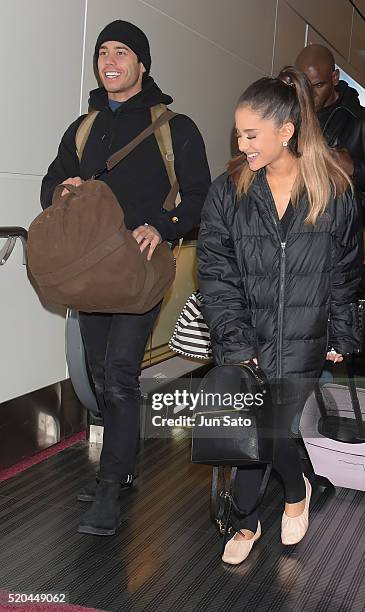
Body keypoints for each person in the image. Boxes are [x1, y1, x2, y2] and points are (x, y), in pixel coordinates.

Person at [41, 20, 211, 536]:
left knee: (120, 375)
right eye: (102, 53)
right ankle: (124, 465)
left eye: (122, 52)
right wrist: (62, 191)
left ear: (142, 63)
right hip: (91, 275)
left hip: (138, 273)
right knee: (98, 371)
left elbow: (200, 196)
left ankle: (111, 487)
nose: (110, 61)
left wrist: (162, 226)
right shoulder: (84, 127)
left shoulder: (174, 127)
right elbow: (50, 181)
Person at [197, 66, 361, 564]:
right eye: (239, 134)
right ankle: (284, 497)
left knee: (268, 429)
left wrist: (342, 330)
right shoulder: (229, 192)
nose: (242, 144)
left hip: (306, 338)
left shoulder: (331, 190)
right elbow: (215, 274)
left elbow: (344, 269)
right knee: (258, 426)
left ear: (286, 131)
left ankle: (256, 514)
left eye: (252, 134)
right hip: (249, 335)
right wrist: (235, 340)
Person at [295, 44, 365, 225]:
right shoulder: (292, 120)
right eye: (304, 86)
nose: (310, 94)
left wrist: (354, 168)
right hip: (299, 229)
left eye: (318, 85)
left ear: (334, 78)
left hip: (345, 232)